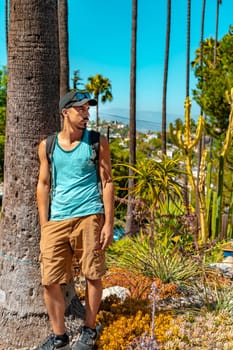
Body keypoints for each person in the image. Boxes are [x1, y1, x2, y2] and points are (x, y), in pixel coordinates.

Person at [36, 90, 114, 350]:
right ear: (65, 112)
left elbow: (107, 182)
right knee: (50, 280)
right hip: (57, 220)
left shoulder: (97, 141)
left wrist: (108, 222)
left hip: (89, 216)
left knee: (93, 275)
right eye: (81, 109)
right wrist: (45, 224)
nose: (86, 114)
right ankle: (59, 336)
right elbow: (44, 184)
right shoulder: (48, 146)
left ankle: (89, 330)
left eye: (87, 109)